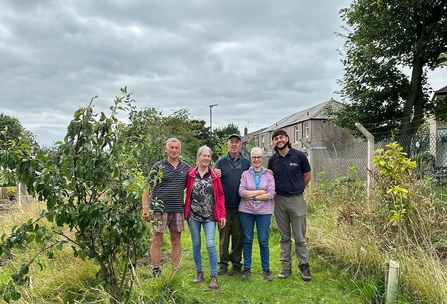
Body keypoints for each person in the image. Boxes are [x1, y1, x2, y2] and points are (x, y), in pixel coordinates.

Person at [142, 138, 190, 277]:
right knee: (157, 239)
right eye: (171, 147)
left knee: (176, 240)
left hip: (177, 209)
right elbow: (147, 188)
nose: (174, 150)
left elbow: (197, 178)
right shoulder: (158, 166)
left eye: (176, 148)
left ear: (180, 150)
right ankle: (156, 270)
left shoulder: (185, 168)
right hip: (159, 209)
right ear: (166, 149)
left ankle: (174, 270)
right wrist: (145, 209)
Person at [268, 129, 312, 281]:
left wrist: (298, 189)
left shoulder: (299, 156)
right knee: (284, 237)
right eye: (276, 138)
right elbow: (271, 179)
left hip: (296, 200)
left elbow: (307, 176)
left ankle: (304, 267)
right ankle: (286, 267)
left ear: (287, 139)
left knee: (300, 236)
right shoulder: (273, 160)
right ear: (273, 142)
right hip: (279, 200)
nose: (279, 140)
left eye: (281, 137)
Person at [184, 145, 226, 289]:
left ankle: (214, 276)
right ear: (198, 157)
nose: (207, 158)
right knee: (196, 244)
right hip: (193, 216)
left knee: (210, 244)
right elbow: (181, 189)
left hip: (210, 217)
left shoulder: (214, 176)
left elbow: (220, 195)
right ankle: (199, 272)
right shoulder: (190, 174)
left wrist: (222, 215)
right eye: (204, 156)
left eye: (209, 156)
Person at [215, 134, 251, 276]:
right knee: (224, 236)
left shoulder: (246, 162)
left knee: (238, 236)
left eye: (237, 142)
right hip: (224, 206)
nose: (234, 144)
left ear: (241, 144)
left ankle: (236, 263)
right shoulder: (221, 161)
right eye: (232, 142)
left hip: (241, 206)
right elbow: (215, 180)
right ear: (228, 145)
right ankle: (223, 263)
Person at [238, 147, 275, 281]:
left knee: (263, 241)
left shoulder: (269, 175)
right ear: (251, 159)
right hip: (246, 212)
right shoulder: (245, 174)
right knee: (247, 240)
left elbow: (270, 194)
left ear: (263, 159)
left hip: (264, 212)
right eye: (254, 157)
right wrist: (261, 192)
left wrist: (252, 195)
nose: (257, 159)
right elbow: (241, 193)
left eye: (259, 157)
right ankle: (247, 268)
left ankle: (266, 270)